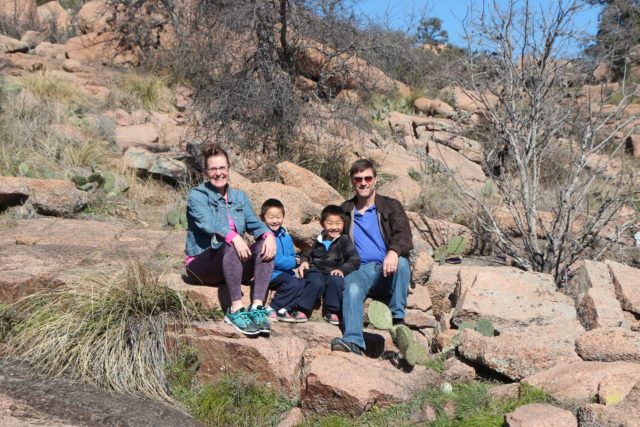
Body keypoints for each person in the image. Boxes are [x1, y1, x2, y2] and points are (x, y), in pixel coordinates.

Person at [184, 144, 276, 336]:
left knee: (264, 245)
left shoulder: (238, 196)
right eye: (213, 169)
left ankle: (257, 307)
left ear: (229, 169)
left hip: (232, 264)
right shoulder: (197, 195)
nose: (219, 173)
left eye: (222, 168)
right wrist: (233, 237)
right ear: (206, 171)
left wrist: (268, 235)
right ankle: (235, 309)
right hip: (203, 265)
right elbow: (207, 223)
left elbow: (253, 223)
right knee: (229, 242)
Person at [330, 159, 413, 355]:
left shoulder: (390, 206)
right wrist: (306, 259)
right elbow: (328, 237)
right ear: (352, 181)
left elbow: (404, 235)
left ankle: (397, 320)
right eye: (358, 179)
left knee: (401, 262)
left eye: (368, 178)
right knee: (351, 286)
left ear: (375, 179)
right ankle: (353, 341)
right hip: (359, 269)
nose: (363, 183)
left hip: (387, 269)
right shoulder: (345, 210)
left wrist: (393, 252)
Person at [296, 205, 360, 324]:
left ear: (343, 224)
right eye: (330, 223)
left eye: (338, 223)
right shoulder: (320, 239)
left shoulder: (344, 240)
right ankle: (303, 309)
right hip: (316, 270)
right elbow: (308, 253)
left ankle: (332, 311)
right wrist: (304, 261)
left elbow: (354, 258)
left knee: (336, 281)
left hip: (333, 272)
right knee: (315, 281)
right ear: (322, 224)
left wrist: (343, 269)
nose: (334, 227)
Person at [259, 198, 306, 322]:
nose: (275, 221)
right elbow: (273, 260)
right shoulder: (264, 237)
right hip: (272, 274)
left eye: (278, 217)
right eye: (271, 217)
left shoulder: (286, 236)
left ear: (283, 217)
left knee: (303, 283)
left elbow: (292, 254)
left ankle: (284, 310)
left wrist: (299, 259)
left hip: (286, 273)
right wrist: (293, 262)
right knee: (293, 283)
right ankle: (271, 308)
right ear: (263, 218)